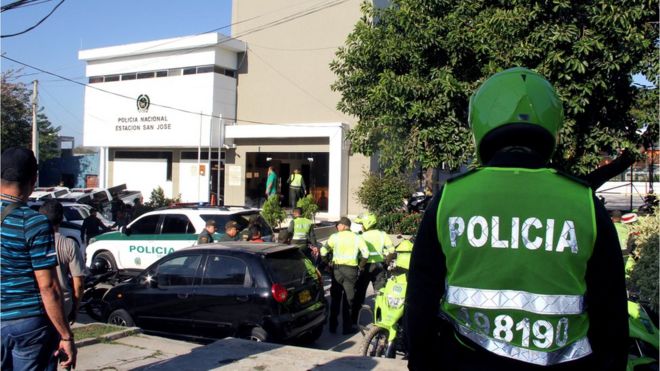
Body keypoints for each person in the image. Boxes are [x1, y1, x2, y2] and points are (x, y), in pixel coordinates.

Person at [405, 68, 628, 371]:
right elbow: (611, 310)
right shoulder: (583, 201)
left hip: (464, 359)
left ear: (480, 123)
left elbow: (421, 297)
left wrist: (420, 361)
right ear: (553, 124)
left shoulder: (450, 198)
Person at [1, 147, 76, 370]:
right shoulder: (34, 222)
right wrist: (66, 335)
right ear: (33, 180)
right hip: (29, 325)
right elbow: (49, 287)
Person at [320, 217, 370, 334]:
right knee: (348, 301)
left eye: (338, 225)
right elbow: (366, 254)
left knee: (335, 299)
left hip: (336, 271)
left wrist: (327, 263)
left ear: (344, 225)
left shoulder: (335, 237)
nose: (337, 227)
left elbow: (323, 251)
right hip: (351, 272)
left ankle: (333, 326)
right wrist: (360, 266)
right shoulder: (357, 237)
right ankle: (346, 328)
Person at [39, 200, 86, 324]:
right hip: (62, 304)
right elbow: (79, 284)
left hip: (38, 303)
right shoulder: (69, 244)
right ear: (61, 219)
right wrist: (75, 308)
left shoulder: (33, 243)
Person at [353, 212, 394, 323]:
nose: (361, 226)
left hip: (365, 267)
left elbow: (357, 253)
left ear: (367, 224)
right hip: (379, 267)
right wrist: (386, 263)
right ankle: (380, 320)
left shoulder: (361, 236)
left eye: (362, 224)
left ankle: (354, 319)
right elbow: (392, 250)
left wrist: (359, 266)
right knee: (380, 294)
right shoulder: (382, 234)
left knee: (359, 293)